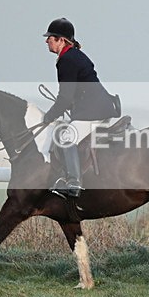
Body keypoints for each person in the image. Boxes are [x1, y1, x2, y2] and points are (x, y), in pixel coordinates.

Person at [42, 17, 119, 197]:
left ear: (61, 40)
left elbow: (65, 97)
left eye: (50, 38)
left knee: (66, 137)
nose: (47, 41)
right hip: (96, 107)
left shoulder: (67, 59)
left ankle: (73, 183)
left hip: (93, 111)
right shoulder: (72, 56)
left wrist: (49, 116)